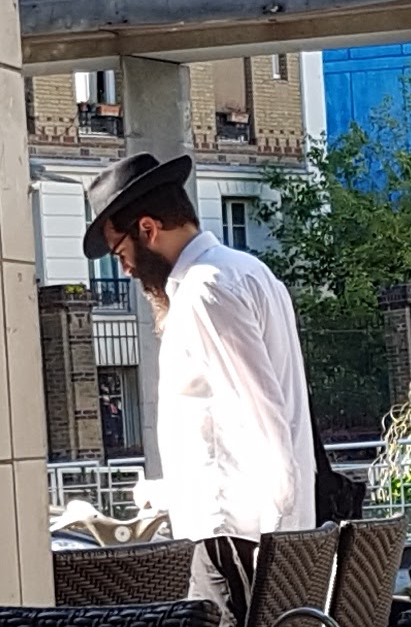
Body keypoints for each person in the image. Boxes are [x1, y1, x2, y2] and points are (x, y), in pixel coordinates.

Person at [81, 148, 315, 540]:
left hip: (235, 539)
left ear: (148, 229)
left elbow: (263, 418)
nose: (125, 269)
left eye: (121, 253)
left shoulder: (204, 290)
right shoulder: (249, 270)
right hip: (248, 534)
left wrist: (279, 543)